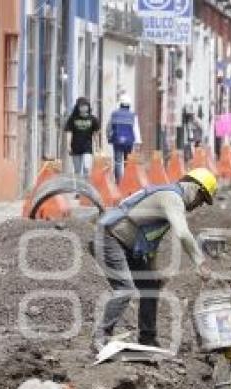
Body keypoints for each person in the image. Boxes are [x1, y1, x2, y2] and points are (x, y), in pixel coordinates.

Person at [92, 168, 217, 352]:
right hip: (110, 238)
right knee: (125, 289)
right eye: (201, 200)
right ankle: (100, 337)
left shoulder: (171, 201)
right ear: (195, 189)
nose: (198, 205)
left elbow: (150, 242)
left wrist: (153, 271)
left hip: (127, 245)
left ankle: (147, 339)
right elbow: (183, 234)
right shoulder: (172, 198)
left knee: (150, 285)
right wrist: (200, 262)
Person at [107, 94, 142, 184]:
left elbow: (109, 127)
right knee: (127, 161)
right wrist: (138, 142)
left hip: (117, 141)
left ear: (120, 104)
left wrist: (109, 137)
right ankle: (126, 180)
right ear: (129, 105)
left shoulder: (114, 114)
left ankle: (118, 181)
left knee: (118, 161)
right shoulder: (133, 115)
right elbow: (136, 129)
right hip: (129, 142)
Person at [64, 97, 100, 178]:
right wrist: (68, 145)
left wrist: (97, 146)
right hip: (76, 147)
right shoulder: (72, 119)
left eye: (85, 105)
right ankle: (78, 188)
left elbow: (96, 133)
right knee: (77, 171)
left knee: (86, 167)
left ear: (88, 107)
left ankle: (86, 185)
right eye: (82, 106)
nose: (84, 107)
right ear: (78, 107)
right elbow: (69, 133)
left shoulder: (93, 119)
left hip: (87, 148)